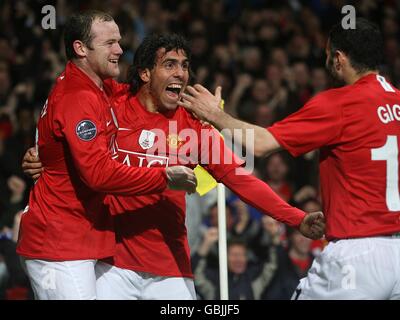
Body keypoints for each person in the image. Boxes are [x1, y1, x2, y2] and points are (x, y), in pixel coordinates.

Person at [181, 18, 400, 299]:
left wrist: (215, 115)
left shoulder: (339, 103)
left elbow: (259, 145)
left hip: (356, 254)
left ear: (339, 58)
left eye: (327, 53)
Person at [16, 11, 196, 300]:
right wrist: (163, 176)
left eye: (119, 41)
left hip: (79, 241)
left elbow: (143, 95)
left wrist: (210, 112)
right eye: (110, 43)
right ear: (80, 48)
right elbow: (98, 173)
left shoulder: (99, 87)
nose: (120, 50)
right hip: (59, 244)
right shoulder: (79, 97)